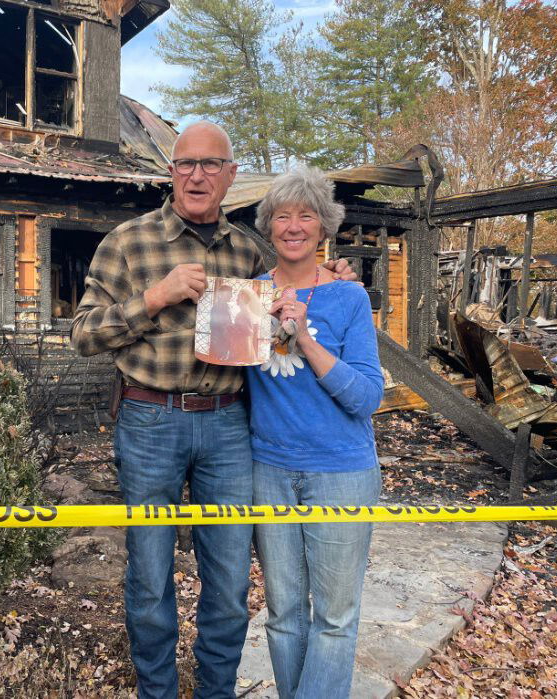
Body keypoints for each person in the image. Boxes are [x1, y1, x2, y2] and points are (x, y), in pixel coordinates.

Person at [70, 121, 355, 699]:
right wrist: (156, 295)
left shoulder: (251, 253)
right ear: (171, 172)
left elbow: (296, 291)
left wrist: (335, 278)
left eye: (211, 165)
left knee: (226, 583)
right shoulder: (128, 241)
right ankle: (158, 692)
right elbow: (82, 335)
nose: (197, 174)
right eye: (185, 164)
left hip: (229, 423)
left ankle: (215, 693)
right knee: (149, 579)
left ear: (230, 176)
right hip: (149, 421)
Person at [245, 167, 384, 699]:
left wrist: (303, 335)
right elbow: (220, 366)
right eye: (283, 215)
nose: (294, 226)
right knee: (282, 614)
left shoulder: (349, 299)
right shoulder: (250, 295)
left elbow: (367, 397)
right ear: (269, 226)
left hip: (342, 473)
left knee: (334, 616)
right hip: (269, 470)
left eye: (306, 215)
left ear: (324, 226)